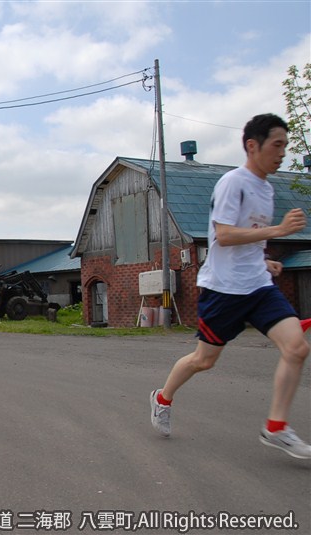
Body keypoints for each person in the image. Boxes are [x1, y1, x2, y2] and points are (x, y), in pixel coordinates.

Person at [149, 113, 309, 459]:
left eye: (286, 145)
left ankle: (277, 427)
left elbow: (247, 237)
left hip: (258, 286)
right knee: (203, 361)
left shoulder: (266, 189)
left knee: (296, 348)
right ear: (253, 146)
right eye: (276, 145)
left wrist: (262, 260)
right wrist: (279, 231)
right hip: (223, 290)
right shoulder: (232, 183)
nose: (282, 153)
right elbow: (223, 234)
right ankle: (163, 398)